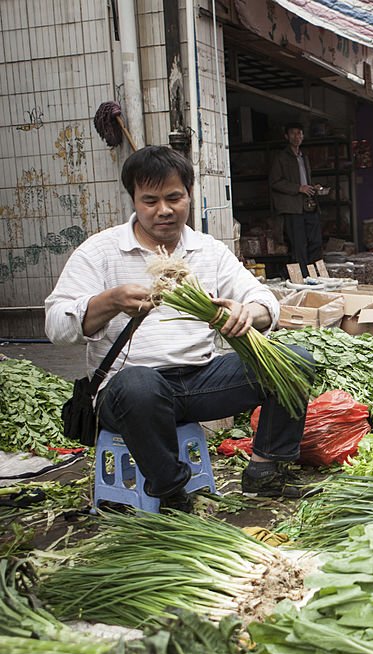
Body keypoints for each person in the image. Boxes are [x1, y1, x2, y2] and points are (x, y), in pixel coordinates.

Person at [44, 146, 312, 512]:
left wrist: (247, 312)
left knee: (294, 360)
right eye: (150, 200)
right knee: (140, 384)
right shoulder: (101, 252)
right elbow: (57, 326)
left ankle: (266, 469)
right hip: (126, 394)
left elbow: (266, 302)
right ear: (134, 200)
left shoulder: (207, 250)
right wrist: (110, 301)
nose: (164, 210)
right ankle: (171, 491)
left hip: (200, 380)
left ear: (189, 195)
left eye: (174, 197)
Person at [270, 123, 322, 278]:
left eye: (299, 133)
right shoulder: (281, 157)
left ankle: (314, 275)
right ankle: (303, 277)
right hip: (292, 207)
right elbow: (275, 182)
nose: (296, 137)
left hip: (308, 205)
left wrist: (312, 187)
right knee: (298, 245)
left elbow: (305, 180)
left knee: (315, 242)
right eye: (292, 134)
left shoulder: (303, 156)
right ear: (286, 136)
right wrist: (298, 188)